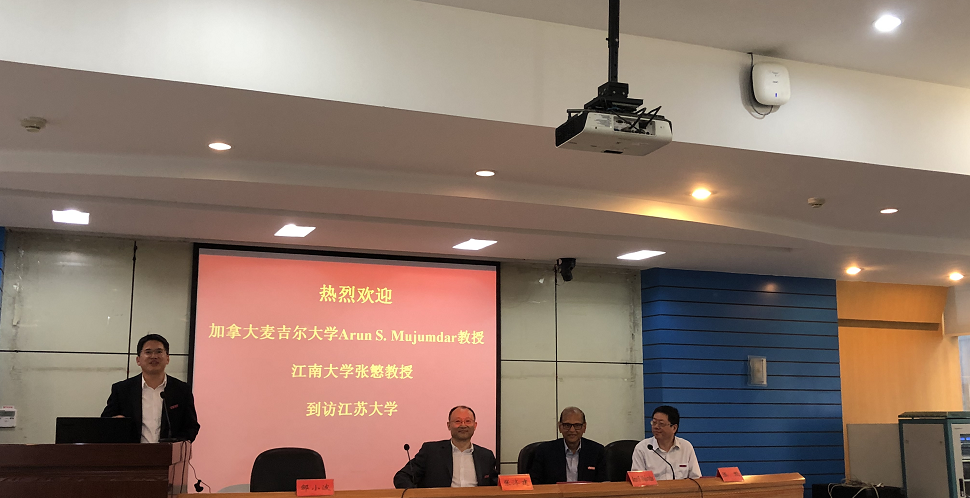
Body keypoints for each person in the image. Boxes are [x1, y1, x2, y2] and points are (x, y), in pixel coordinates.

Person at [101, 334, 200, 443]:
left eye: (159, 351)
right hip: (132, 452)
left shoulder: (181, 390)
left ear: (167, 358)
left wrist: (175, 444)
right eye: (148, 352)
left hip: (168, 452)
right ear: (138, 360)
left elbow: (191, 426)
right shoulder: (122, 390)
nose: (154, 356)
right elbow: (105, 423)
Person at [393, 405, 497, 488]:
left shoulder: (486, 456)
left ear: (475, 425)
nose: (463, 425)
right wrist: (416, 495)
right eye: (458, 421)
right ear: (448, 425)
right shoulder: (431, 451)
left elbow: (496, 484)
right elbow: (402, 477)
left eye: (468, 421)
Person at [529, 406, 605, 484]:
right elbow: (535, 483)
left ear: (584, 427)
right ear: (560, 427)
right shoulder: (544, 451)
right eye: (567, 425)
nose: (572, 430)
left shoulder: (597, 451)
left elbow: (604, 483)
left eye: (577, 425)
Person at [631, 405, 700, 479]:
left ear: (674, 428)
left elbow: (696, 478)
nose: (656, 427)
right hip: (653, 487)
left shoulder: (686, 447)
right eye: (654, 422)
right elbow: (637, 480)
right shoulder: (642, 448)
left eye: (661, 424)